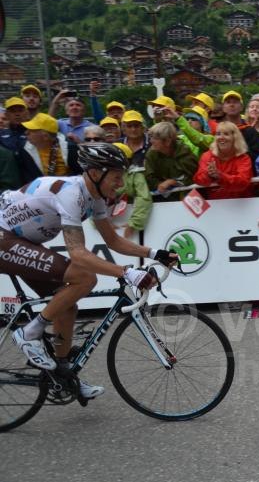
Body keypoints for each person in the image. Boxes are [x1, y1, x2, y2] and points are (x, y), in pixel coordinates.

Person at [3, 143, 176, 396]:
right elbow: (78, 254)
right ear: (96, 173)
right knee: (84, 277)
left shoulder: (94, 197)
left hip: (23, 242)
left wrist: (153, 253)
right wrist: (126, 272)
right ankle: (29, 333)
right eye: (116, 177)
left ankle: (64, 377)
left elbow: (113, 240)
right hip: (4, 239)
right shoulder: (71, 194)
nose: (120, 183)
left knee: (67, 303)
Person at [193, 121, 254, 200]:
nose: (221, 137)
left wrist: (220, 176)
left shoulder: (243, 158)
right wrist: (208, 175)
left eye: (226, 134)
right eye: (218, 134)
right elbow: (198, 179)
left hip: (241, 204)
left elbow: (242, 182)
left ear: (235, 137)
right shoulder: (208, 156)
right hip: (216, 205)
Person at [144, 122, 199, 202]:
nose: (151, 141)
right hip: (162, 198)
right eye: (151, 137)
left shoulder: (184, 153)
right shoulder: (151, 153)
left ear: (167, 142)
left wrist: (174, 182)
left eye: (155, 138)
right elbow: (149, 176)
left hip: (189, 198)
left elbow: (195, 176)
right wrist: (159, 185)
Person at [111, 143, 152, 239]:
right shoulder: (102, 175)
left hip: (132, 226)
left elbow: (144, 198)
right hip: (108, 224)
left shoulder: (136, 174)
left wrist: (134, 224)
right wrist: (101, 222)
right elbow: (96, 198)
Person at [21, 113, 81, 178]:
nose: (26, 132)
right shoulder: (24, 151)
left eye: (31, 130)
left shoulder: (71, 150)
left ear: (45, 136)